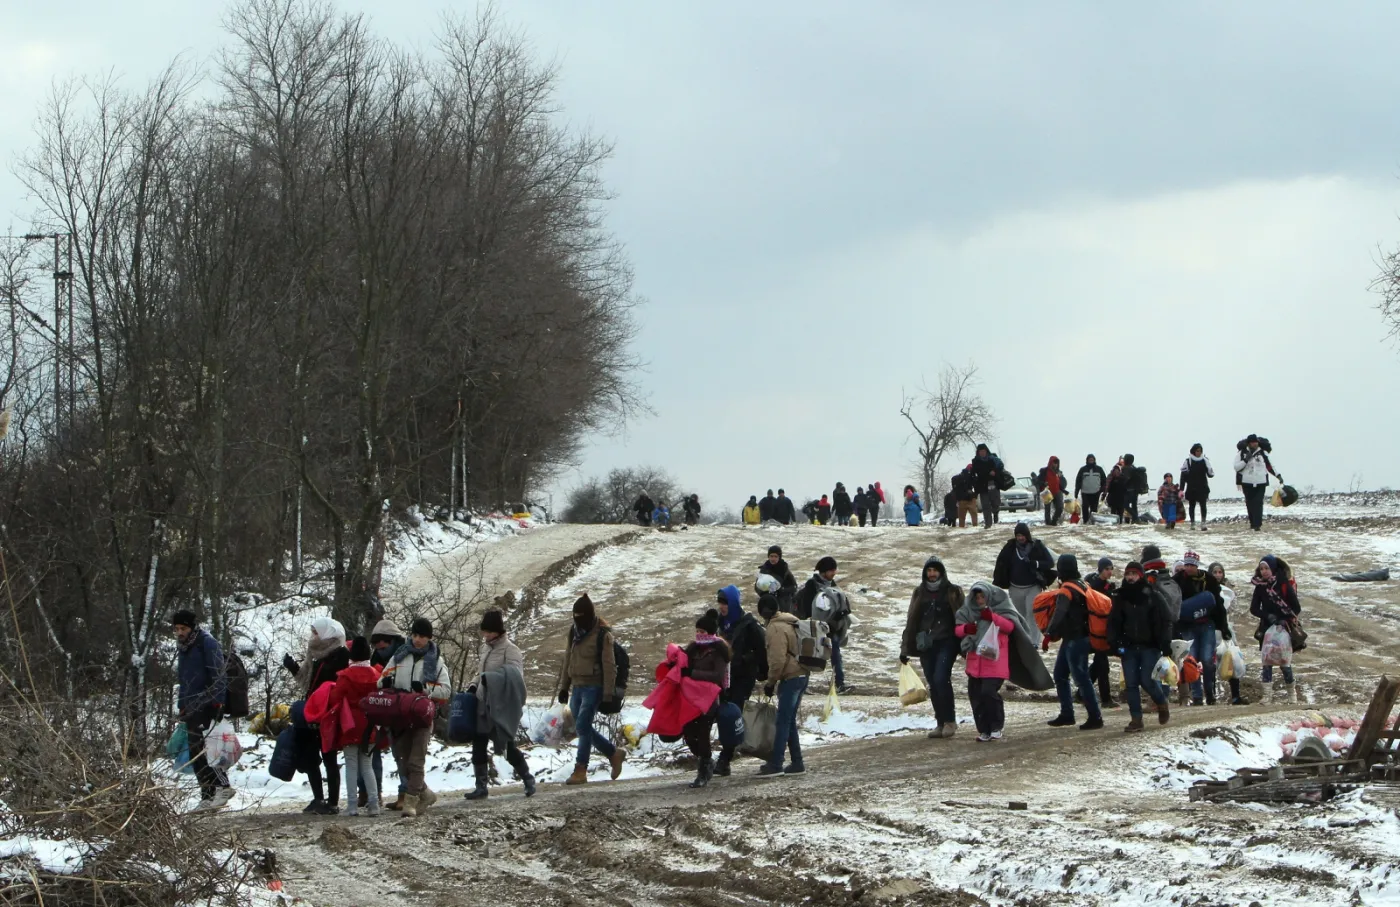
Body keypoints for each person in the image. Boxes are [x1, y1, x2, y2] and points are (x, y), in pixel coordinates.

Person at [379, 618, 451, 817]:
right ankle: (426, 793)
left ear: (429, 638)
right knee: (402, 760)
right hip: (401, 715)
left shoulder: (436, 661)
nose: (418, 640)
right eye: (415, 635)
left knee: (416, 761)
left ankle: (411, 803)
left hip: (422, 717)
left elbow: (445, 691)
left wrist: (426, 689)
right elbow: (381, 679)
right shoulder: (399, 656)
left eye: (422, 636)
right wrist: (384, 682)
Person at [464, 610, 535, 801]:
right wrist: (473, 685)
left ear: (498, 631)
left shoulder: (511, 650)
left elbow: (514, 677)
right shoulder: (485, 649)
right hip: (482, 703)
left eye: (488, 632)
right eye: (484, 632)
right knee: (478, 744)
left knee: (507, 746)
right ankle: (481, 787)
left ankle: (527, 778)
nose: (485, 635)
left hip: (500, 705)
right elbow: (480, 673)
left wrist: (490, 679)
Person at [556, 594, 626, 784]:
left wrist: (608, 693)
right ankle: (613, 753)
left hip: (594, 687)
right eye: (576, 618)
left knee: (582, 726)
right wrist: (564, 687)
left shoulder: (603, 635)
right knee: (582, 727)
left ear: (590, 616)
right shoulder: (574, 632)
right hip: (577, 686)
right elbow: (568, 659)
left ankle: (580, 769)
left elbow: (609, 665)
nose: (579, 622)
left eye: (582, 618)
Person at [284, 616, 350, 815]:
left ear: (327, 634)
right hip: (312, 711)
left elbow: (337, 685)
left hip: (328, 712)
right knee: (310, 756)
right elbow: (308, 683)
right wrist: (294, 668)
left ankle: (333, 801)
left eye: (316, 633)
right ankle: (318, 798)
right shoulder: (317, 655)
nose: (313, 637)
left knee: (329, 757)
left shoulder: (340, 655)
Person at [172, 610, 234, 811]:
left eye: (183, 628)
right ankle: (206, 795)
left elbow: (219, 675)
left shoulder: (207, 643)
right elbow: (184, 679)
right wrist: (182, 704)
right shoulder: (183, 647)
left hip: (207, 704)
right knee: (195, 752)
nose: (179, 632)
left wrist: (217, 703)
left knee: (210, 749)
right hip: (190, 705)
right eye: (177, 629)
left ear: (192, 627)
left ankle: (223, 786)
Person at [900, 557, 965, 739]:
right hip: (925, 643)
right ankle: (940, 722)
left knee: (941, 678)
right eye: (929, 570)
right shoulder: (919, 592)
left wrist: (967, 644)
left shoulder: (953, 591)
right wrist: (905, 648)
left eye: (935, 570)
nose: (932, 574)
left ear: (942, 572)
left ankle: (950, 721)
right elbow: (912, 619)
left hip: (947, 641)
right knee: (933, 682)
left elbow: (964, 616)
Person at [1107, 562, 1172, 732]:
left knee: (1147, 679)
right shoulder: (1121, 597)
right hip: (1128, 647)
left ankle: (1161, 703)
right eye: (1128, 574)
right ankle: (1136, 719)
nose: (1130, 577)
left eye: (1134, 574)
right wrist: (1114, 643)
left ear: (1141, 575)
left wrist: (1165, 643)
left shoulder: (1153, 596)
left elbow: (1166, 620)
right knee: (1131, 684)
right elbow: (1114, 622)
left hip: (1150, 646)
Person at [1044, 555, 1105, 731]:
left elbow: (1059, 614)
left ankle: (1094, 717)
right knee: (1063, 675)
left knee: (1079, 678)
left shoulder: (1066, 590)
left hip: (1074, 638)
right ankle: (1068, 714)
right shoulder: (1082, 584)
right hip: (1083, 637)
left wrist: (1048, 634)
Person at [953, 582, 1015, 742]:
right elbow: (957, 629)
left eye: (982, 597)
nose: (980, 600)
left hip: (994, 662)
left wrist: (993, 617)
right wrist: (966, 629)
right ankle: (984, 730)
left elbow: (1009, 627)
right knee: (976, 697)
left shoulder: (1000, 609)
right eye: (977, 597)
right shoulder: (968, 612)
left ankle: (996, 726)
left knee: (988, 692)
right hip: (975, 662)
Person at [328, 637, 382, 817]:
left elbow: (335, 698)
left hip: (349, 725)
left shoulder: (345, 676)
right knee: (367, 765)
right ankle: (374, 804)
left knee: (351, 765)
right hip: (370, 725)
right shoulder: (376, 675)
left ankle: (352, 806)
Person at [757, 594, 810, 776]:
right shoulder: (789, 621)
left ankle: (776, 763)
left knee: (782, 721)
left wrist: (770, 682)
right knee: (788, 721)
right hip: (802, 674)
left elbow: (777, 660)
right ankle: (797, 762)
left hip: (791, 677)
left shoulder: (775, 628)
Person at [716, 586, 767, 776]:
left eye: (725, 603)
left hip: (743, 677)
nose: (722, 607)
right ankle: (726, 755)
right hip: (725, 677)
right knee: (723, 714)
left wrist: (759, 670)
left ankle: (725, 759)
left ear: (733, 603)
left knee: (732, 713)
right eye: (720, 603)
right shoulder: (722, 624)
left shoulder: (748, 625)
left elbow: (761, 649)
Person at [678, 609, 732, 788]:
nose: (699, 634)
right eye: (697, 631)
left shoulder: (719, 650)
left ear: (710, 632)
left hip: (709, 700)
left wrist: (692, 673)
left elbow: (717, 675)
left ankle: (703, 771)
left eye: (702, 631)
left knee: (702, 733)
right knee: (688, 733)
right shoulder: (693, 649)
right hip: (692, 699)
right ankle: (707, 760)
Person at [1173, 551, 1230, 706]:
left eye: (1192, 565)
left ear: (1197, 565)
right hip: (1187, 626)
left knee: (1207, 659)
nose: (1189, 568)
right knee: (1191, 661)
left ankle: (1210, 692)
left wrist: (1223, 626)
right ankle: (1197, 696)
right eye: (1187, 565)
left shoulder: (1209, 580)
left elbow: (1218, 604)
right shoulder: (1177, 581)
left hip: (1207, 624)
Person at [795, 556, 852, 693]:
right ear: (824, 571)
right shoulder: (812, 585)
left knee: (836, 655)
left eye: (834, 570)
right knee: (809, 656)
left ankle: (840, 684)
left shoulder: (832, 585)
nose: (834, 573)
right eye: (832, 570)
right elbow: (808, 606)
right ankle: (803, 685)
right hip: (814, 627)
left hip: (832, 628)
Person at [991, 522, 1054, 645]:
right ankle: (1023, 642)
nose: (1020, 538)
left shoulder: (1037, 546)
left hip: (1033, 587)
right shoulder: (1010, 547)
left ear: (1027, 535)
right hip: (1015, 588)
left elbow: (1050, 563)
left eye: (1022, 535)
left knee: (1032, 613)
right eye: (1018, 535)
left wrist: (1036, 564)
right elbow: (1001, 564)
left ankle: (1033, 643)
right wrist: (1000, 580)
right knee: (1020, 616)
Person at [1250, 555, 1301, 702]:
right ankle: (1267, 696)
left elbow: (1296, 607)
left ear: (1273, 569)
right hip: (1267, 628)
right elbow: (1254, 608)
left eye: (1267, 568)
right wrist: (1267, 616)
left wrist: (1284, 620)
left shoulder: (1283, 584)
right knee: (1267, 661)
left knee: (1284, 661)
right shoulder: (1260, 586)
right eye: (1261, 569)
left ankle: (1292, 695)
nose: (1264, 572)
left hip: (1284, 628)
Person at [366, 619, 405, 809]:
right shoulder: (376, 659)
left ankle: (407, 793)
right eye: (377, 645)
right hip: (385, 709)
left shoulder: (406, 655)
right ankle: (380, 793)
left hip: (404, 708)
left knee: (405, 754)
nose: (380, 648)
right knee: (394, 753)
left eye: (384, 644)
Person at [1209, 562, 1249, 705]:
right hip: (1212, 631)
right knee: (1211, 664)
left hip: (1226, 630)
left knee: (1232, 660)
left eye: (1220, 572)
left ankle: (1235, 696)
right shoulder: (1206, 589)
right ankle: (1211, 696)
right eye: (1215, 572)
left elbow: (1233, 610)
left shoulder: (1227, 591)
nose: (1218, 575)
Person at [1085, 557, 1118, 708]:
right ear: (1101, 570)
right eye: (1107, 569)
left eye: (1111, 569)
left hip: (1100, 629)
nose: (1110, 572)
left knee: (1099, 663)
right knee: (1102, 665)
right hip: (1097, 629)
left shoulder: (1104, 585)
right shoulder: (1097, 586)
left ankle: (1083, 693)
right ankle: (1105, 699)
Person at [1234, 435, 1281, 532]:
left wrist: (1278, 475)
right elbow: (1236, 467)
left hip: (1261, 482)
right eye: (1252, 442)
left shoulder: (1263, 453)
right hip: (1247, 482)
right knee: (1250, 503)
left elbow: (1270, 466)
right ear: (1248, 443)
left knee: (1258, 503)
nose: (1255, 444)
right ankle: (1252, 523)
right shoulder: (1241, 453)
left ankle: (1257, 525)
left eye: (1256, 442)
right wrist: (1246, 460)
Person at [966, 444, 1004, 528]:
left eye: (984, 451)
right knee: (985, 505)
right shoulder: (975, 461)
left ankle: (995, 512)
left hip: (992, 483)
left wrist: (995, 471)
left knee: (995, 502)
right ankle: (988, 523)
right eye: (980, 452)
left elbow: (1000, 466)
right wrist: (972, 484)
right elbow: (972, 473)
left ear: (986, 451)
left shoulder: (992, 459)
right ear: (978, 452)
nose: (982, 453)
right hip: (982, 485)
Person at [1179, 444, 1214, 531]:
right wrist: (1181, 489)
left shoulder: (1205, 461)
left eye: (1200, 451)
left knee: (1203, 505)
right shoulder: (1188, 461)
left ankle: (1203, 523)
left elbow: (1210, 475)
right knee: (1192, 506)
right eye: (1197, 451)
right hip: (1192, 487)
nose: (1199, 453)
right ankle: (1192, 523)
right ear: (1193, 451)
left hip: (1202, 487)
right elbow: (1183, 476)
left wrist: (1209, 469)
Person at [758, 545, 799, 612]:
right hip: (768, 601)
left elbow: (794, 587)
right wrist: (763, 592)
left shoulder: (785, 570)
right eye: (771, 556)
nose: (773, 559)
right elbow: (757, 586)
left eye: (775, 556)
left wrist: (781, 590)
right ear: (768, 557)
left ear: (779, 557)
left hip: (783, 602)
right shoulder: (764, 569)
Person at [1034, 456, 1067, 526]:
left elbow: (1061, 482)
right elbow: (1037, 481)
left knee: (1060, 507)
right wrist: (1043, 483)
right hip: (1047, 492)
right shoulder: (1044, 471)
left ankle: (1054, 521)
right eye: (1054, 463)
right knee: (1047, 509)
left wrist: (1064, 490)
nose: (1055, 464)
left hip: (1057, 492)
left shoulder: (1059, 472)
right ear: (1050, 463)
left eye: (1056, 463)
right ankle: (1048, 524)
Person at [1075, 455, 1107, 525]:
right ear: (1087, 460)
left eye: (1092, 460)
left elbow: (1104, 481)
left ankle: (1092, 523)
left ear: (1094, 460)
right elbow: (1078, 481)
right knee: (1085, 507)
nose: (1091, 461)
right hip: (1085, 492)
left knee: (1094, 509)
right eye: (1090, 460)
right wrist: (1076, 491)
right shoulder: (1083, 469)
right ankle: (1085, 521)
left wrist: (1103, 490)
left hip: (1096, 492)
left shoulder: (1099, 469)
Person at [1119, 454, 1141, 524]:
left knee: (1125, 505)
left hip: (1128, 490)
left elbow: (1124, 479)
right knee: (1134, 505)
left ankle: (1136, 517)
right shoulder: (1134, 467)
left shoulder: (1125, 468)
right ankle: (1135, 520)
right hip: (1135, 490)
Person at [1105, 457, 1127, 523]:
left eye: (1117, 471)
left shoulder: (1123, 478)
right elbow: (1108, 488)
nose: (1116, 472)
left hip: (1121, 499)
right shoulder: (1111, 478)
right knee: (1113, 514)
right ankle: (1114, 526)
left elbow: (1125, 488)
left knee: (1120, 514)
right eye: (1115, 471)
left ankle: (1120, 525)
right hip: (1113, 500)